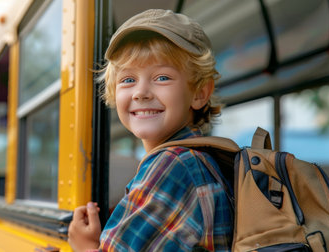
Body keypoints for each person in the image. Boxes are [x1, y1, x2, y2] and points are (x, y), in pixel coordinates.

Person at [68, 9, 233, 251]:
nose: (140, 92)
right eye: (127, 80)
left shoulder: (173, 164)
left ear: (199, 93)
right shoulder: (199, 160)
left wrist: (84, 246)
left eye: (162, 77)